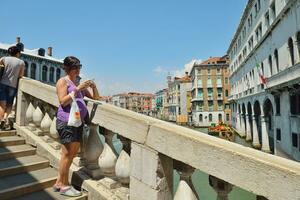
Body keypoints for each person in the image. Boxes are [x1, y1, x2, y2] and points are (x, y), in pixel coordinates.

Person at [54, 56, 100, 197]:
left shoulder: (77, 83)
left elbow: (96, 98)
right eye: (75, 67)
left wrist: (93, 87)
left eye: (79, 66)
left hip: (77, 122)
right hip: (67, 122)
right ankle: (63, 186)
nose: (78, 69)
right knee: (67, 155)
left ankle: (58, 182)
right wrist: (77, 89)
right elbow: (63, 102)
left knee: (71, 154)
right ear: (68, 68)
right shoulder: (63, 81)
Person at [0, 46, 25, 130]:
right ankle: (5, 118)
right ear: (18, 53)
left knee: (2, 105)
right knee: (9, 104)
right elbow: (21, 75)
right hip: (12, 86)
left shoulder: (3, 59)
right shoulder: (21, 62)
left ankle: (1, 120)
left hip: (2, 84)